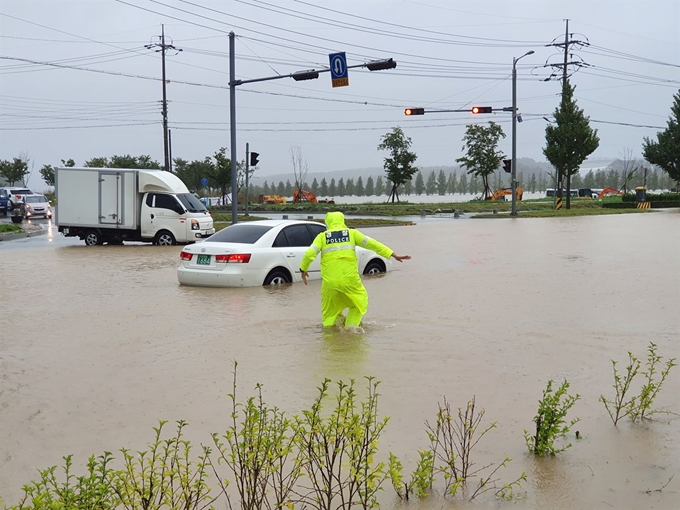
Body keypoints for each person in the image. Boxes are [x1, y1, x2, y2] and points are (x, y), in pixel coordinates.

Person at [299, 211, 411, 328]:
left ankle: (329, 338)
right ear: (342, 221)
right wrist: (393, 254)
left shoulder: (322, 237)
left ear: (328, 223)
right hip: (349, 280)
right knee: (359, 302)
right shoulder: (352, 234)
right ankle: (351, 329)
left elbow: (309, 254)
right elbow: (373, 244)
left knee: (329, 313)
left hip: (329, 283)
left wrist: (303, 269)